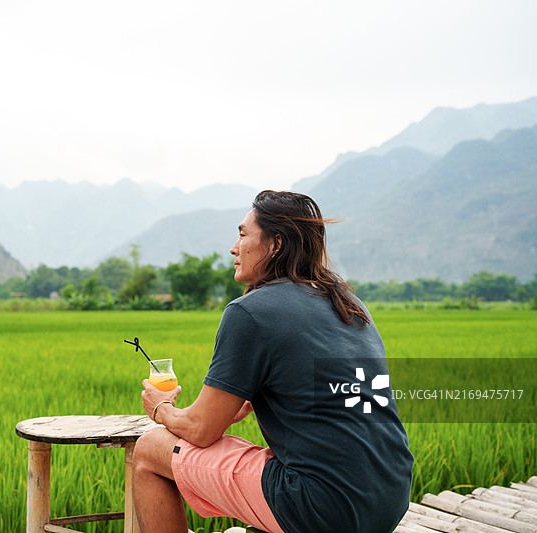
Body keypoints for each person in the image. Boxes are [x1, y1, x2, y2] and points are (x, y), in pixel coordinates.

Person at [133, 190, 413, 533]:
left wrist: (161, 409)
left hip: (325, 509)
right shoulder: (348, 302)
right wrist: (245, 400)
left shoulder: (249, 311)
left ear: (275, 243)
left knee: (149, 450)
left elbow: (201, 430)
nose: (233, 248)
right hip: (390, 497)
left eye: (242, 234)